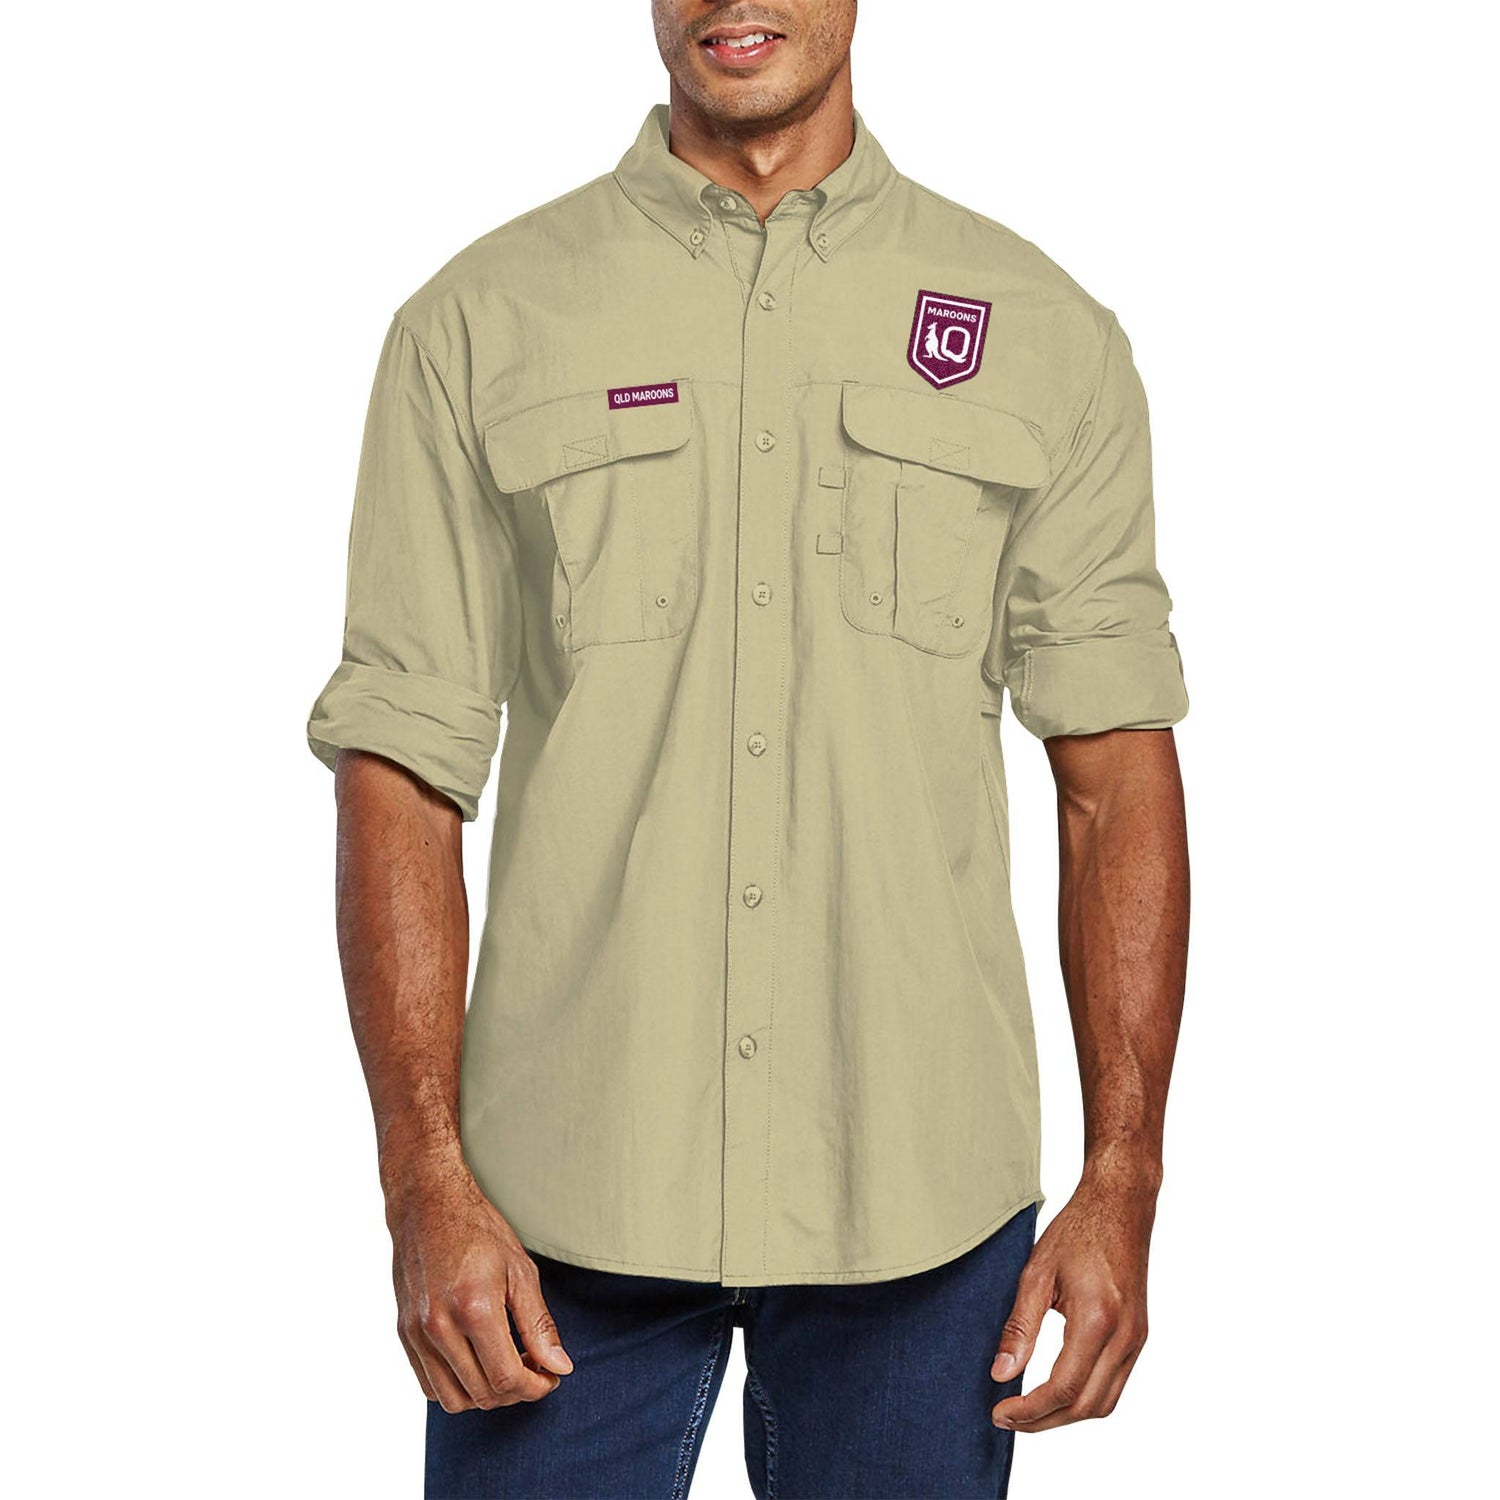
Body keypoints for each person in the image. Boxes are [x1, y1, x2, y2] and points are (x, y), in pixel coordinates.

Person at [305, 3, 1190, 1495]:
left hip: (922, 1204)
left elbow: (1113, 781)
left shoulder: (1046, 335)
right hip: (551, 1214)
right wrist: (423, 1180)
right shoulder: (476, 323)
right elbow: (403, 760)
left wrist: (1126, 1178)